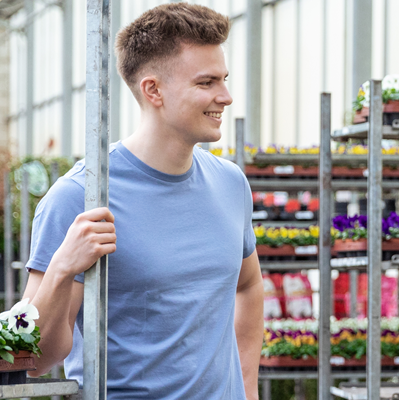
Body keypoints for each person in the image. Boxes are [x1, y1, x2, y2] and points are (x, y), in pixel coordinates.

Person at [21, 3, 262, 399]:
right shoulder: (79, 197)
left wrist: (247, 388)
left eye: (224, 79)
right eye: (207, 83)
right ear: (153, 90)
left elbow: (248, 285)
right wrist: (62, 269)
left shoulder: (230, 184)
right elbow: (36, 361)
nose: (227, 96)